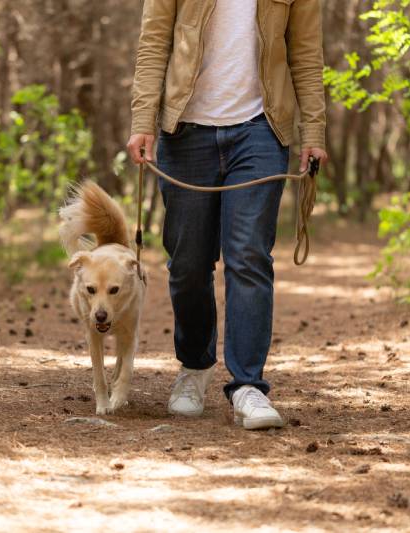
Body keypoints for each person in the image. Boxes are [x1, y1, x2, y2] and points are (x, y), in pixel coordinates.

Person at [127, 0, 328, 429]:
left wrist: (313, 131)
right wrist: (142, 120)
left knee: (249, 257)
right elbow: (154, 43)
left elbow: (307, 55)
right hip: (185, 130)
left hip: (261, 129)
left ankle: (247, 385)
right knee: (188, 264)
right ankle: (195, 367)